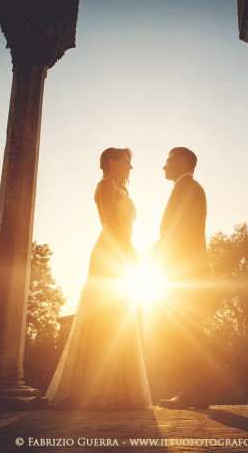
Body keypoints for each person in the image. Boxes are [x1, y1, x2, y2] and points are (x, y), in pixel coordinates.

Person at [45, 148, 152, 410]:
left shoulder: (121, 189)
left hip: (122, 254)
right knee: (105, 319)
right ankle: (96, 391)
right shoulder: (105, 186)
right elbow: (111, 224)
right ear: (112, 162)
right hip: (108, 254)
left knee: (118, 320)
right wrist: (132, 255)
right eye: (127, 162)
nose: (131, 167)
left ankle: (118, 390)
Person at [151, 147, 213, 409]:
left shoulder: (187, 188)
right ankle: (197, 393)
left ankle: (194, 393)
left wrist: (154, 255)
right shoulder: (188, 188)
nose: (163, 166)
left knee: (187, 334)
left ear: (182, 161)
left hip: (187, 273)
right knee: (189, 333)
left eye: (167, 161)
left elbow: (178, 231)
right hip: (186, 271)